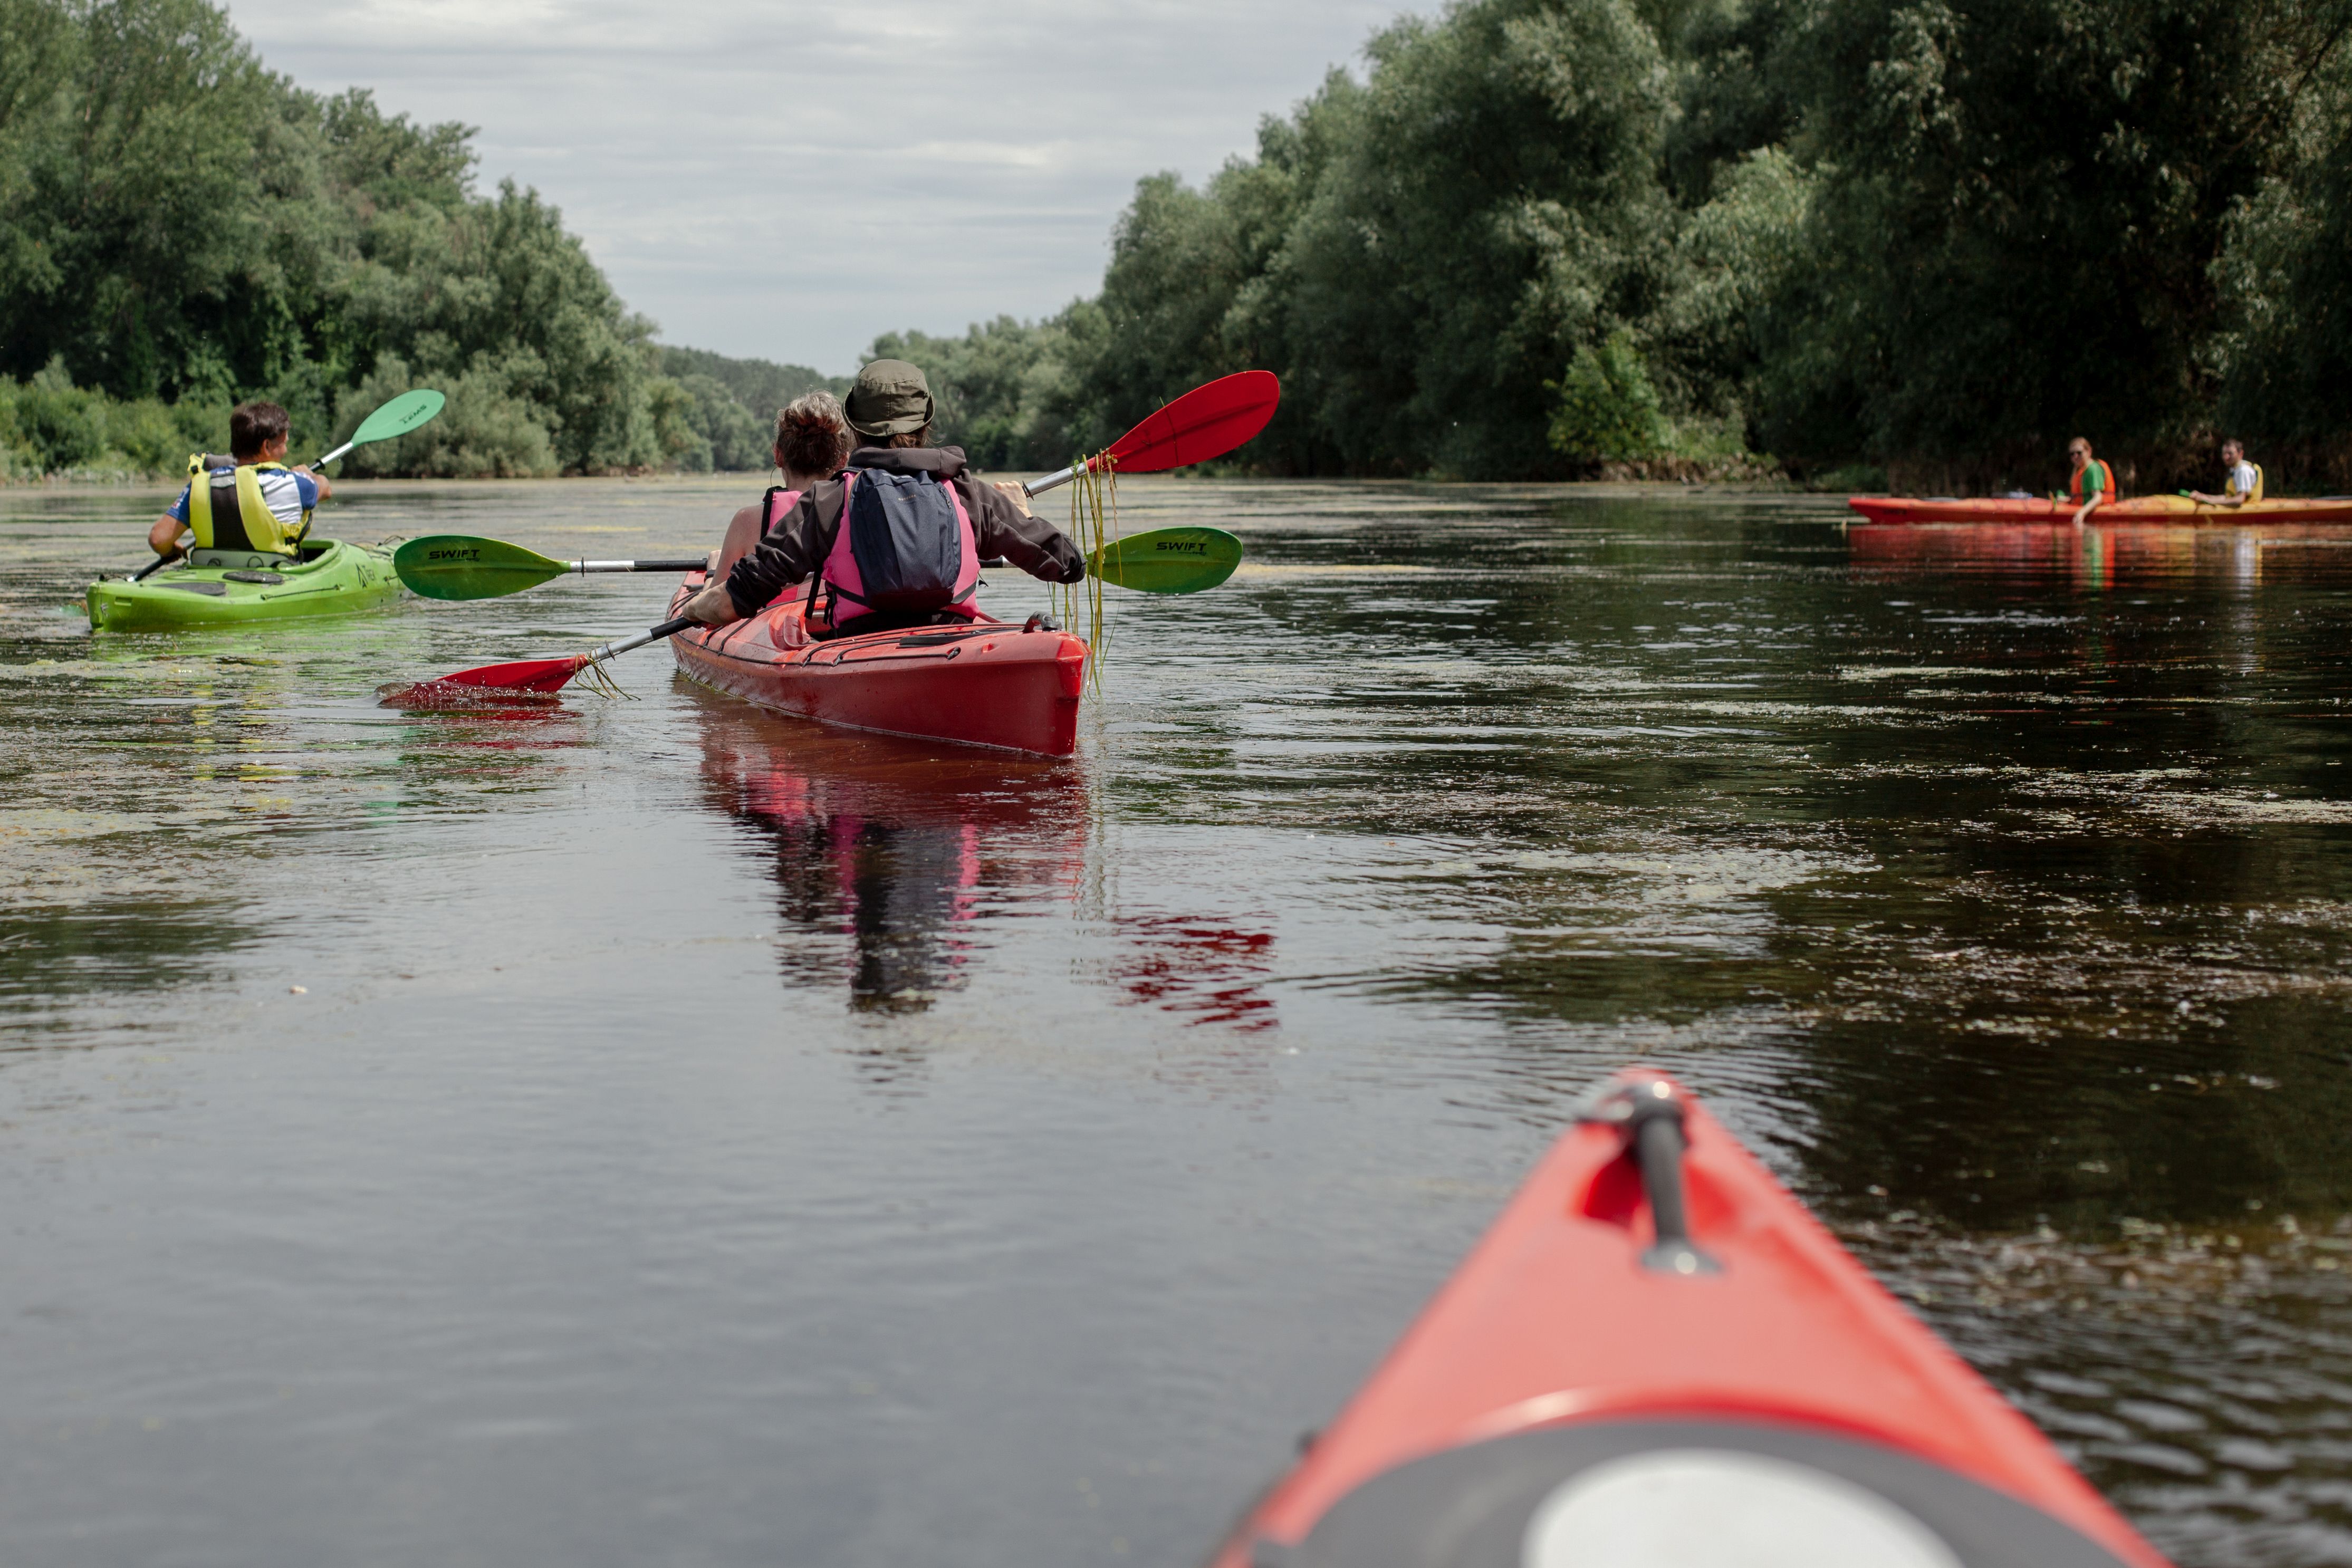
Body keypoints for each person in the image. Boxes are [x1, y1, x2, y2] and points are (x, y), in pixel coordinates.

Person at [679, 359, 1084, 637]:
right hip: (949, 638)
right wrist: (1022, 514)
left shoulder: (829, 501)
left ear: (854, 426)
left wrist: (692, 609)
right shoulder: (967, 493)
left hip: (858, 645)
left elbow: (736, 599)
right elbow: (1066, 565)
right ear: (926, 421)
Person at [146, 401, 330, 564]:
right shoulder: (292, 483)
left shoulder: (200, 484)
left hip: (209, 570)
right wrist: (309, 475)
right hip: (271, 574)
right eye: (284, 443)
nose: (286, 450)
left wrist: (170, 551)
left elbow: (159, 539)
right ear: (266, 446)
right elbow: (326, 489)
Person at [706, 391, 856, 582]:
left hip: (770, 609)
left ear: (778, 455)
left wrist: (711, 572)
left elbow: (712, 609)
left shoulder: (746, 522)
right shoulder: (855, 516)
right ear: (843, 461)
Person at [2187, 439, 2263, 508]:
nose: (2226, 457)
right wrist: (2203, 496)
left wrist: (2208, 501)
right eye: (2224, 453)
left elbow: (2239, 500)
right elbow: (2228, 498)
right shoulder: (2236, 470)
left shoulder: (2243, 470)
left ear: (2241, 453)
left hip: (2249, 509)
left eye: (2230, 453)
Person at [2062, 436, 2114, 526]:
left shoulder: (2093, 469)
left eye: (2079, 453)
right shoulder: (2083, 471)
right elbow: (2085, 496)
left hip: (2102, 510)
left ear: (2089, 452)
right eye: (2072, 454)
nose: (2076, 456)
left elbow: (2098, 498)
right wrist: (2069, 500)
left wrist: (2082, 512)